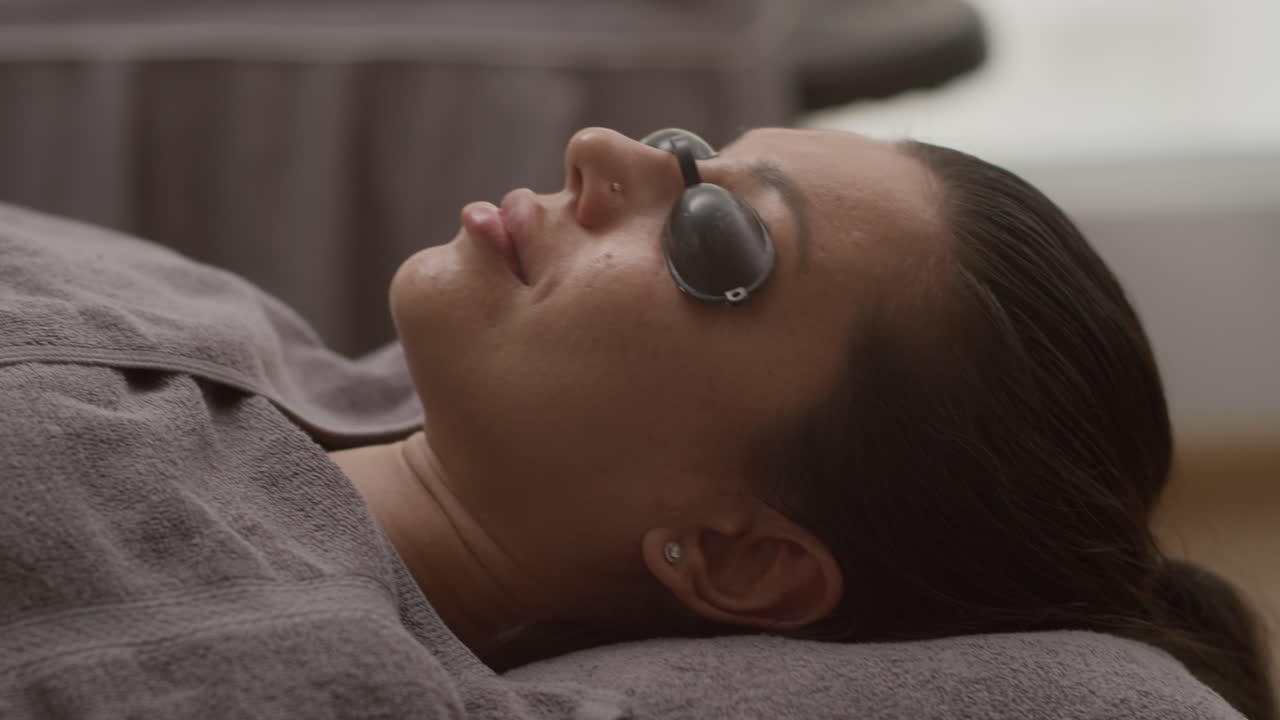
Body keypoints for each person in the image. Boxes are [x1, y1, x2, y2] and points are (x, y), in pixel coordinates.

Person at [1, 126, 1274, 720]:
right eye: (689, 150)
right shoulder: (212, 316)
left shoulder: (245, 661)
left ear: (740, 557)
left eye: (712, 236)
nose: (598, 148)